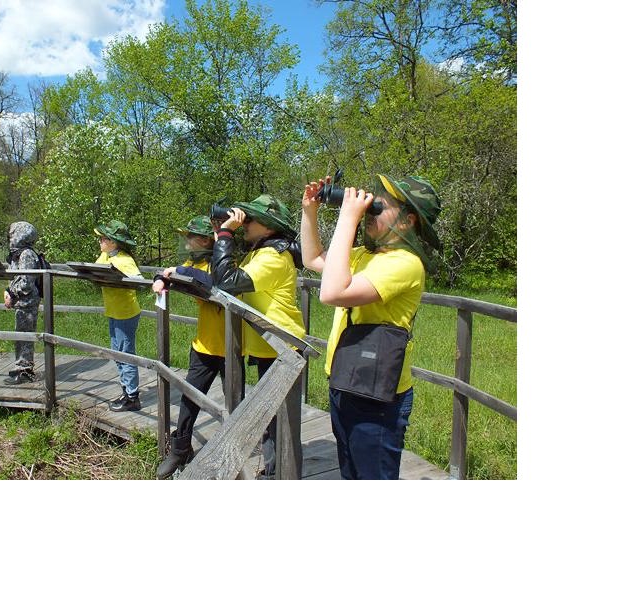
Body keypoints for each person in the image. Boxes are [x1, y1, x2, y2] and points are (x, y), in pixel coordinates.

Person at [300, 173, 442, 479]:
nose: (370, 208)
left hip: (377, 396)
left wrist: (347, 220)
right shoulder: (365, 256)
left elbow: (332, 293)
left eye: (382, 205)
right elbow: (312, 258)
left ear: (407, 221)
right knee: (351, 475)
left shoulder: (405, 263)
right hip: (346, 381)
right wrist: (309, 210)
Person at [211, 194, 306, 478]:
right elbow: (222, 272)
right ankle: (273, 471)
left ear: (267, 226)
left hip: (283, 349)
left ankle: (283, 475)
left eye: (250, 219)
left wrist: (227, 233)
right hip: (271, 348)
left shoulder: (273, 257)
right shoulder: (260, 251)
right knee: (271, 420)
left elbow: (226, 282)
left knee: (281, 424)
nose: (246, 223)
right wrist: (221, 234)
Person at [152, 215, 228, 479]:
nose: (186, 241)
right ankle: (180, 448)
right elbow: (172, 271)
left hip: (232, 346)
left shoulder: (221, 262)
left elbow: (213, 282)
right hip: (204, 345)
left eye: (191, 236)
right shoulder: (192, 262)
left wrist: (178, 272)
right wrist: (160, 279)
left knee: (235, 403)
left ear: (207, 240)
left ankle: (235, 449)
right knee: (189, 399)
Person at [94, 219, 143, 412]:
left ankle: (133, 397)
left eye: (103, 239)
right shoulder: (106, 256)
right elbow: (96, 270)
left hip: (126, 313)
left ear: (113, 242)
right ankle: (126, 390)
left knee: (125, 354)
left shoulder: (124, 259)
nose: (100, 242)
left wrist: (121, 279)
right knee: (117, 352)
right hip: (113, 312)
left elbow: (139, 280)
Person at [3, 221, 42, 385]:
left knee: (25, 337)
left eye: (13, 234)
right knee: (21, 336)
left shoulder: (26, 254)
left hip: (27, 303)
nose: (10, 237)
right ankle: (21, 367)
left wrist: (12, 293)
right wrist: (8, 290)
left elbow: (26, 281)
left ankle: (26, 371)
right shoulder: (19, 253)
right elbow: (17, 277)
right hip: (22, 303)